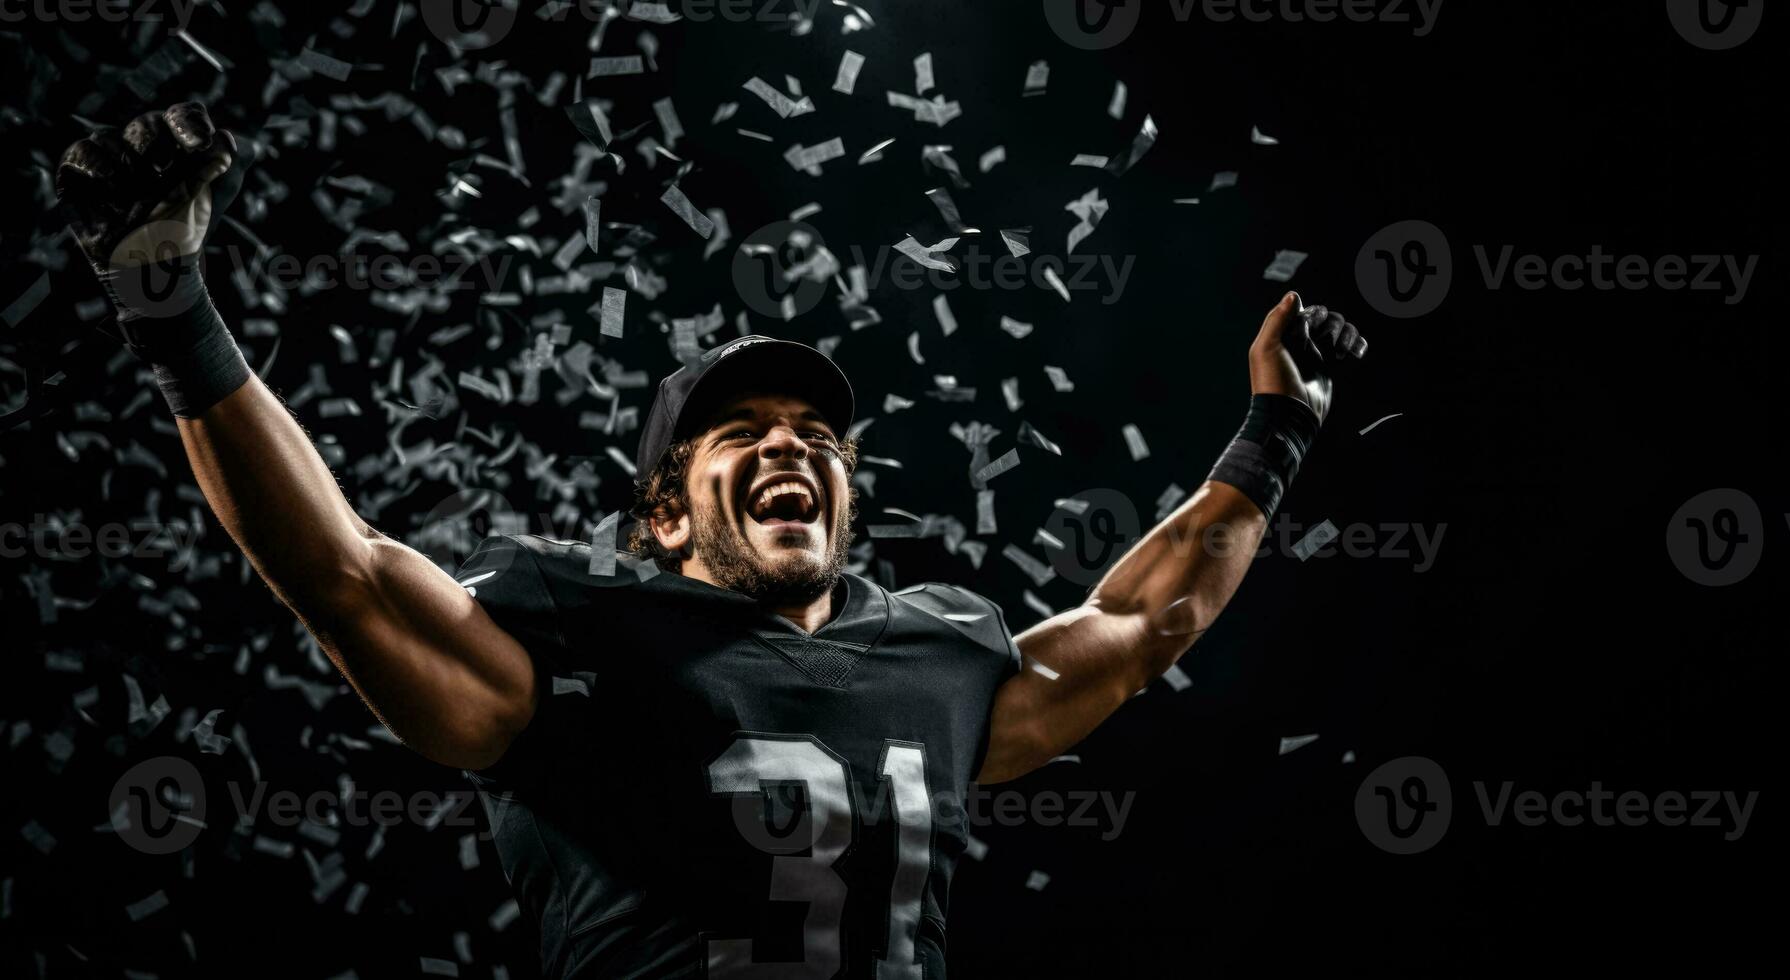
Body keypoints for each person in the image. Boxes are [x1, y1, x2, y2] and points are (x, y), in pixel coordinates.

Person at [55, 101, 1368, 977]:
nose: (792, 443)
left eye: (815, 431)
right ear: (668, 509)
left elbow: (1147, 626)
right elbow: (341, 575)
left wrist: (1280, 430)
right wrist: (171, 313)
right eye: (741, 432)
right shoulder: (578, 636)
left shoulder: (945, 652)